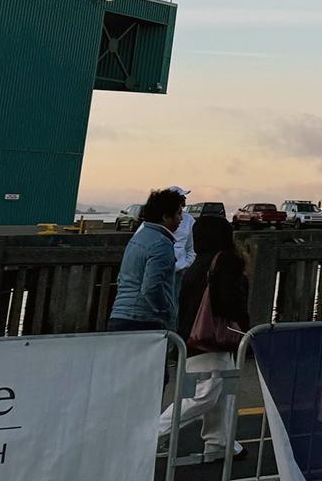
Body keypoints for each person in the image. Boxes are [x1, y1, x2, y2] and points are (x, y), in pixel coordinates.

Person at [160, 216, 249, 460]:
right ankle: (152, 433)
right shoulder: (227, 261)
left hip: (192, 336)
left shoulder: (197, 264)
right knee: (205, 393)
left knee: (220, 393)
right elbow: (229, 300)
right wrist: (244, 326)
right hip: (215, 338)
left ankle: (220, 443)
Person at [110, 188, 187, 331]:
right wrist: (166, 311)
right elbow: (152, 287)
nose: (181, 219)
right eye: (178, 214)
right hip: (144, 319)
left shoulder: (138, 238)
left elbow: (121, 278)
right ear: (165, 217)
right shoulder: (162, 244)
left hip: (120, 313)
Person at [168, 185, 197, 272]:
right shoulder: (158, 219)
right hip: (161, 270)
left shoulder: (189, 219)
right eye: (182, 197)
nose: (185, 198)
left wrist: (186, 264)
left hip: (181, 271)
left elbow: (191, 247)